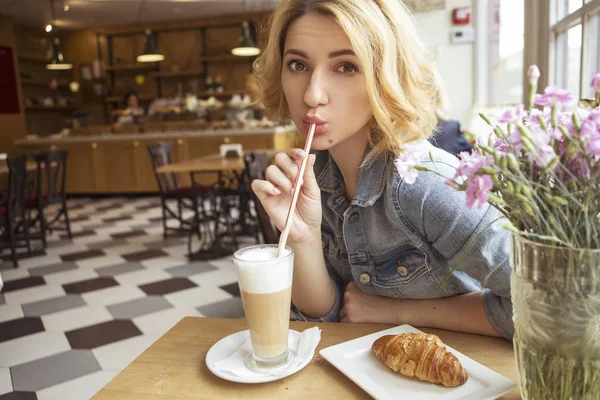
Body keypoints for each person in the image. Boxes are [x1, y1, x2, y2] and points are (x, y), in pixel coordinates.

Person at [251, 0, 513, 340]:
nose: (312, 94)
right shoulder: (314, 177)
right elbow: (325, 321)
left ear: (386, 75)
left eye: (346, 67)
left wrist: (400, 312)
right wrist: (303, 239)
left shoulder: (426, 183)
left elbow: (548, 307)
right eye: (298, 64)